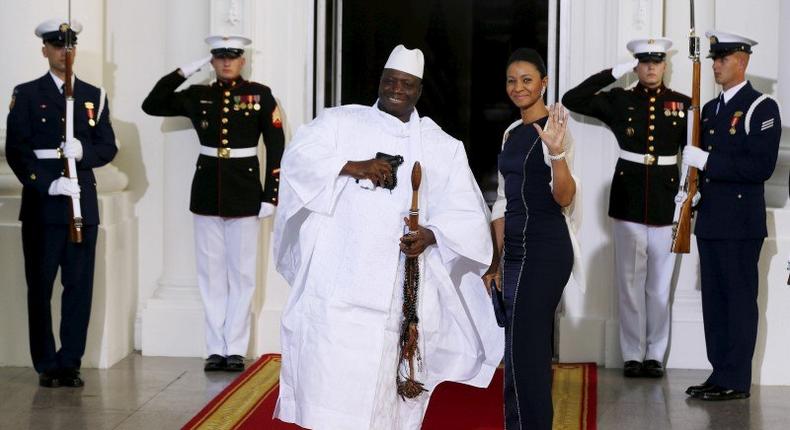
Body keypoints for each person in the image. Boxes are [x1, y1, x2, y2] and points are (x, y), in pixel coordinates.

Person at [272, 44, 503, 430]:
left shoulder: (440, 146)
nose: (397, 89)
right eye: (390, 81)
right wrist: (352, 166)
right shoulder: (340, 122)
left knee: (387, 390)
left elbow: (465, 213)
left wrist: (431, 234)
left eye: (407, 84)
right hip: (336, 284)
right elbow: (298, 158)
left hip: (397, 294)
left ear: (418, 90)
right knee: (328, 377)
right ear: (379, 82)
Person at [142, 34, 285, 372]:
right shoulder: (199, 94)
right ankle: (214, 349)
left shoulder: (260, 95)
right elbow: (152, 103)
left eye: (232, 56)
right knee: (210, 275)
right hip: (207, 192)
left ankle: (234, 347)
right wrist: (184, 71)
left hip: (246, 193)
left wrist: (270, 195)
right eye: (218, 57)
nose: (225, 62)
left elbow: (277, 147)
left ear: (242, 60)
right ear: (211, 61)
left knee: (242, 274)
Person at [562, 38, 691, 378]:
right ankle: (632, 354)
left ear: (665, 65)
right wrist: (613, 73)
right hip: (629, 199)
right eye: (643, 62)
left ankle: (655, 354)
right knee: (630, 283)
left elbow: (693, 157)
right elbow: (572, 99)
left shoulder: (683, 104)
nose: (650, 67)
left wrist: (691, 195)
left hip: (667, 201)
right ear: (636, 65)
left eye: (657, 62)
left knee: (660, 286)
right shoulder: (620, 100)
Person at [5, 19, 118, 388]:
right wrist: (46, 184)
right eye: (57, 46)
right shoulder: (26, 93)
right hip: (43, 204)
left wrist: (84, 152)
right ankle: (46, 363)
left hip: (81, 205)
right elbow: (18, 151)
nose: (63, 52)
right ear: (45, 51)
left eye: (69, 46)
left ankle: (70, 361)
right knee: (39, 286)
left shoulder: (93, 95)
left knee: (78, 285)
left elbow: (107, 147)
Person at [682, 31, 781, 401]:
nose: (716, 65)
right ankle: (719, 372)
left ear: (743, 60)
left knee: (739, 301)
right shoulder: (709, 110)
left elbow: (760, 166)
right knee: (715, 302)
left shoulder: (762, 107)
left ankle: (736, 380)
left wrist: (707, 161)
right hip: (710, 221)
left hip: (740, 224)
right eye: (714, 58)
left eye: (723, 58)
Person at [482, 48, 578, 430]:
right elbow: (504, 201)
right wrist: (495, 262)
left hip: (547, 249)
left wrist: (556, 153)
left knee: (529, 350)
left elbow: (566, 196)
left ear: (544, 83)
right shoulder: (510, 133)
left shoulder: (558, 130)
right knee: (517, 348)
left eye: (527, 80)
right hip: (517, 251)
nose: (518, 87)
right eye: (511, 80)